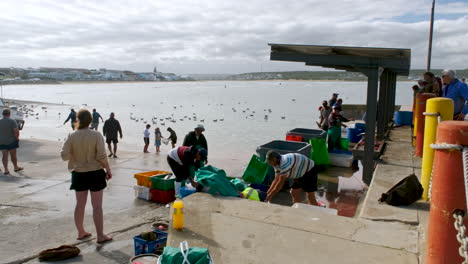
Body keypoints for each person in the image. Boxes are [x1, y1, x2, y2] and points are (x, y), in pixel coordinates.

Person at [60, 109, 112, 244]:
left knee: (80, 205)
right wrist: (108, 169)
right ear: (90, 120)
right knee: (97, 206)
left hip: (78, 174)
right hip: (95, 173)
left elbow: (64, 156)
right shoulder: (96, 135)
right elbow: (101, 156)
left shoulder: (71, 135)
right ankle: (100, 235)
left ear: (77, 119)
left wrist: (75, 155)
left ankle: (81, 232)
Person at [0, 109, 23, 175]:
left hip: (1, 141)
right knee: (13, 155)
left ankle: (6, 170)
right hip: (11, 141)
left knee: (4, 155)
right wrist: (17, 138)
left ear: (3, 114)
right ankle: (15, 167)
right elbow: (16, 131)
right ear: (9, 114)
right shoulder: (12, 121)